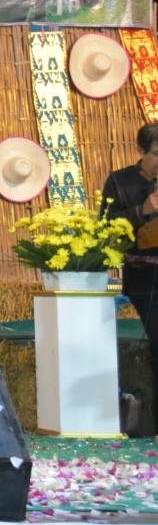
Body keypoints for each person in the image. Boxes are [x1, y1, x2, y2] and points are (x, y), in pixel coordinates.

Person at [103, 122, 158, 429]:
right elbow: (106, 231)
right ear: (140, 151)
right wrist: (142, 211)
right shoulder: (119, 182)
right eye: (156, 154)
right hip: (143, 276)